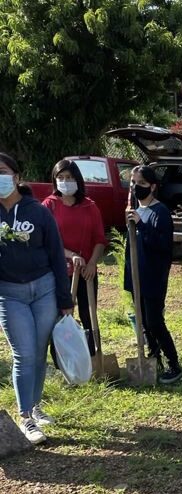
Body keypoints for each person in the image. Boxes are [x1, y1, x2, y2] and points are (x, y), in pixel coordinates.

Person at [0, 153, 74, 444]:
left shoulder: (38, 211)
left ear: (17, 176)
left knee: (40, 352)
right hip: (9, 294)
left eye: (3, 171)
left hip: (43, 290)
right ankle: (26, 417)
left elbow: (56, 254)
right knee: (24, 354)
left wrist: (64, 297)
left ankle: (36, 405)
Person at [42, 160, 107, 359]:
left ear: (77, 179)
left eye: (69, 178)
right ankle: (61, 359)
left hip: (86, 271)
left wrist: (92, 263)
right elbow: (46, 241)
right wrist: (72, 255)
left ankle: (91, 357)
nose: (65, 181)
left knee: (89, 316)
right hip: (59, 272)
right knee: (61, 317)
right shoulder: (49, 205)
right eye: (60, 178)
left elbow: (99, 239)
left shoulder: (89, 206)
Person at [124, 166, 181, 384]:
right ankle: (154, 358)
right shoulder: (134, 210)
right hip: (136, 275)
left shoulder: (160, 212)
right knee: (144, 322)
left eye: (141, 183)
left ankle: (173, 363)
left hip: (154, 275)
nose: (136, 187)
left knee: (155, 321)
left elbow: (162, 246)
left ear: (153, 187)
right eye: (133, 182)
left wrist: (141, 224)